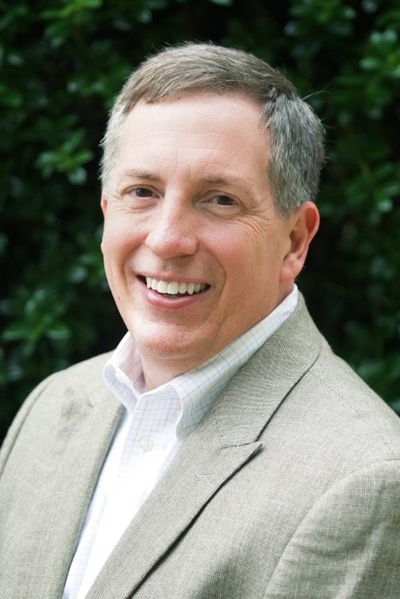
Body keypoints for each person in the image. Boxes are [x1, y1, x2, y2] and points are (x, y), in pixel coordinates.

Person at [1, 42, 400, 599]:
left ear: (294, 241)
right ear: (107, 212)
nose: (166, 239)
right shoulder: (48, 408)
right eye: (142, 191)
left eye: (219, 200)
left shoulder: (364, 482)